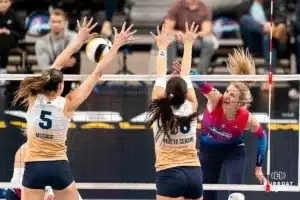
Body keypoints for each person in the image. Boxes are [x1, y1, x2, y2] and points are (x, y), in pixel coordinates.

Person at [12, 17, 136, 200]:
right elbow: (98, 72)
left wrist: (78, 39)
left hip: (34, 167)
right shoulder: (68, 102)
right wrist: (116, 45)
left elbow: (57, 64)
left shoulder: (34, 98)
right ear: (61, 86)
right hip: (57, 166)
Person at [173, 48, 268, 200]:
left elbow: (262, 136)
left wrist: (258, 168)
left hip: (234, 152)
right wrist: (188, 72)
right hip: (208, 152)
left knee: (237, 197)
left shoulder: (247, 118)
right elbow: (201, 82)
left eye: (232, 95)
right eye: (227, 91)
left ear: (240, 103)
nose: (227, 96)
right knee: (207, 196)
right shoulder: (215, 98)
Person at [147, 22, 203, 200]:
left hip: (169, 173)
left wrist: (162, 47)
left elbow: (160, 74)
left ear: (165, 92)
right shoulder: (191, 106)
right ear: (186, 93)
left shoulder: (159, 107)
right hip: (194, 173)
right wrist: (188, 44)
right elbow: (185, 75)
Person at [151, 0, 217, 74]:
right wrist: (178, 34)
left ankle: (200, 74)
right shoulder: (176, 6)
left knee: (210, 42)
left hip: (196, 39)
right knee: (168, 39)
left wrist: (192, 36)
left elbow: (207, 30)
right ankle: (171, 72)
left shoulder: (205, 9)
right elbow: (167, 28)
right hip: (179, 39)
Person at [6, 142, 83, 200]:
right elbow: (22, 181)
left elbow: (64, 180)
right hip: (17, 194)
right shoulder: (25, 149)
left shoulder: (58, 152)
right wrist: (47, 191)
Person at [35, 9, 82, 96]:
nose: (56, 24)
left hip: (68, 75)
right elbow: (45, 68)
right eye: (53, 21)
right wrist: (62, 64)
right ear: (49, 23)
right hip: (51, 78)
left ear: (64, 23)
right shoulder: (41, 42)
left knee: (75, 54)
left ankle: (73, 86)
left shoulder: (73, 36)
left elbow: (74, 50)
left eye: (59, 21)